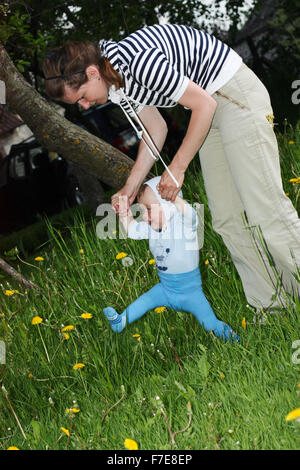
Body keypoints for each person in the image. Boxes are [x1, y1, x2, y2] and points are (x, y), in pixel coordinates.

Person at [43, 23, 300, 312]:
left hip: (234, 96)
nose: (86, 106)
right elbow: (155, 129)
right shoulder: (116, 83)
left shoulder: (137, 62)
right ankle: (271, 307)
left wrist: (176, 169)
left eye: (82, 97)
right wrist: (129, 190)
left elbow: (204, 104)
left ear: (92, 73)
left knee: (264, 206)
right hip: (208, 111)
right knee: (227, 219)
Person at [103, 175, 240, 342]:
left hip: (190, 293)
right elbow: (132, 230)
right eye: (141, 211)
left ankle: (233, 340)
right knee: (145, 300)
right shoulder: (151, 228)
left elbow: (190, 215)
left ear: (168, 206)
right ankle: (121, 321)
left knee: (209, 322)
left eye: (149, 209)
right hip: (165, 289)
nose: (144, 217)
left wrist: (175, 199)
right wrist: (124, 212)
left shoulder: (183, 227)